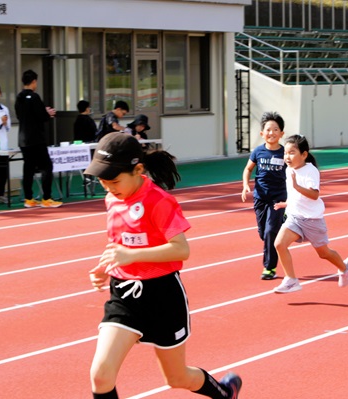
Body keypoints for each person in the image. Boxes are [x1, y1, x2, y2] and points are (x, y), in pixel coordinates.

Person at [85, 133, 241, 399]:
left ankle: (224, 393)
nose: (108, 187)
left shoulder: (158, 201)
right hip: (124, 293)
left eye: (113, 181)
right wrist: (105, 265)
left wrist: (132, 256)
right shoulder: (112, 199)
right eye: (102, 181)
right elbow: (118, 243)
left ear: (137, 170)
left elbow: (182, 249)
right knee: (101, 374)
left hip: (163, 296)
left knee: (176, 377)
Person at [272, 134, 348, 293]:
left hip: (312, 220)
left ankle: (345, 268)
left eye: (291, 153)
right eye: (285, 153)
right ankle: (291, 280)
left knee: (324, 253)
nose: (287, 157)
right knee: (279, 244)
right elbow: (295, 195)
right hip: (295, 217)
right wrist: (287, 203)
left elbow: (314, 195)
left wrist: (296, 186)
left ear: (304, 154)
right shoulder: (289, 170)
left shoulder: (311, 171)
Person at [241, 111, 287, 280]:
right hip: (260, 197)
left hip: (278, 198)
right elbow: (248, 169)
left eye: (276, 130)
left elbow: (294, 171)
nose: (271, 133)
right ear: (262, 133)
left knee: (270, 232)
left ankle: (269, 268)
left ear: (281, 134)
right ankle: (278, 225)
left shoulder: (284, 153)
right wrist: (246, 184)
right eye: (268, 129)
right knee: (263, 233)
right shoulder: (258, 151)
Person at [15, 69, 62, 208]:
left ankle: (28, 198)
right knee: (46, 166)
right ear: (34, 81)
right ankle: (46, 198)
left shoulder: (19, 97)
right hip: (36, 138)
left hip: (23, 138)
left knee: (28, 168)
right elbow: (42, 116)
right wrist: (48, 113)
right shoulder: (35, 97)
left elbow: (20, 116)